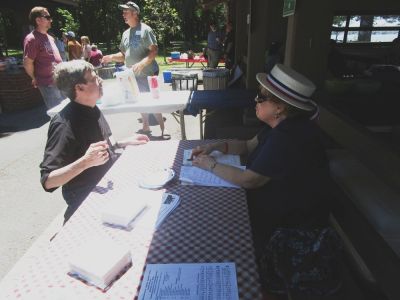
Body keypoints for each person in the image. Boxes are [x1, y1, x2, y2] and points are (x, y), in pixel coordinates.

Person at [191, 64, 342, 296]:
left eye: (260, 98)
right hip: (283, 212)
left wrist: (209, 164)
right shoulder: (282, 127)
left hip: (291, 229)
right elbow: (248, 145)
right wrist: (215, 146)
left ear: (279, 108)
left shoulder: (287, 138)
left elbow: (249, 180)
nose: (255, 101)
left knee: (213, 228)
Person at [40, 60, 149, 222]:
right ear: (79, 88)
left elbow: (99, 146)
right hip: (87, 199)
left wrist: (121, 143)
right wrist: (85, 162)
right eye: (93, 79)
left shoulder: (91, 107)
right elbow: (48, 181)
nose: (100, 80)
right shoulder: (64, 124)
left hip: (108, 183)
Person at [101, 1, 168, 139]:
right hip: (133, 74)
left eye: (126, 11)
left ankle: (162, 129)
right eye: (123, 12)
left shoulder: (145, 29)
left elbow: (154, 51)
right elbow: (124, 55)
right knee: (139, 100)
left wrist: (143, 63)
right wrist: (111, 57)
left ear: (135, 13)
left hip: (148, 72)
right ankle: (146, 126)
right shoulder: (125, 33)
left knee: (153, 101)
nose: (123, 14)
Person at [23, 6, 65, 109]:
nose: (51, 20)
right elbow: (27, 62)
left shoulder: (50, 37)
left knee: (66, 110)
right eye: (48, 17)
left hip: (60, 80)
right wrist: (34, 78)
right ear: (38, 20)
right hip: (48, 84)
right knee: (57, 113)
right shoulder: (31, 39)